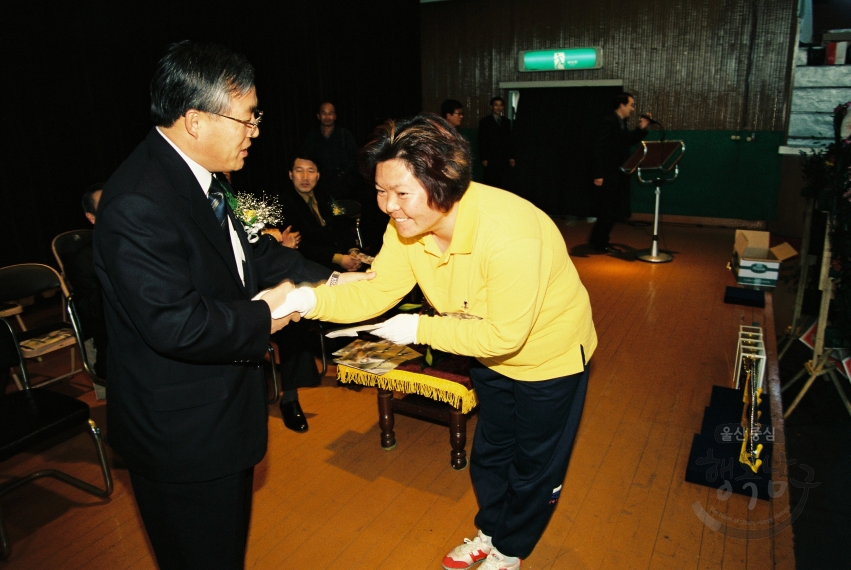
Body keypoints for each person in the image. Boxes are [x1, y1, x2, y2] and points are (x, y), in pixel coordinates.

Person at [275, 114, 597, 570]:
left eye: (401, 193)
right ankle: (490, 530)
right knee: (491, 452)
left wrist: (418, 330)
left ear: (443, 181)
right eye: (381, 191)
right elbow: (377, 289)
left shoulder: (510, 234)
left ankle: (509, 550)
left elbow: (507, 334)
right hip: (483, 349)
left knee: (535, 466)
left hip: (548, 357)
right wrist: (305, 300)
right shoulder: (407, 225)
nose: (388, 206)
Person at [93, 41, 351, 569]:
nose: (255, 132)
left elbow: (249, 258)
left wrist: (339, 281)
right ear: (195, 120)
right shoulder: (139, 200)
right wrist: (270, 314)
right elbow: (175, 323)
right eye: (247, 119)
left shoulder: (199, 177)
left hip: (223, 412)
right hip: (182, 435)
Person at [279, 154, 364, 273]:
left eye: (310, 171)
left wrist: (353, 250)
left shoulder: (326, 197)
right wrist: (339, 259)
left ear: (318, 175)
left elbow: (342, 226)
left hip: (343, 258)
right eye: (299, 171)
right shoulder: (283, 204)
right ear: (290, 174)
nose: (305, 177)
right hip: (314, 266)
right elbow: (302, 247)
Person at [588, 92, 650, 253]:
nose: (632, 108)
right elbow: (599, 148)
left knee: (610, 209)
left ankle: (598, 240)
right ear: (621, 105)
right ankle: (599, 243)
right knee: (607, 209)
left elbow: (627, 140)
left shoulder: (620, 122)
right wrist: (598, 174)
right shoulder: (609, 122)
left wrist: (641, 129)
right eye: (631, 105)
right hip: (608, 173)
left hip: (616, 173)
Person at [63, 183, 109, 380]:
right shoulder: (84, 259)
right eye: (105, 206)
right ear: (91, 218)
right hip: (117, 342)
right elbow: (91, 310)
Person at [301, 102, 359, 199]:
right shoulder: (312, 136)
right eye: (324, 113)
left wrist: (342, 174)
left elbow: (354, 158)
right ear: (318, 116)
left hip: (343, 186)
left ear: (335, 116)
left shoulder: (344, 134)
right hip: (318, 186)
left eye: (330, 113)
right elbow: (306, 158)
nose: (327, 117)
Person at [477, 96, 515, 190]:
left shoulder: (507, 122)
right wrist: (484, 158)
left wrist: (511, 156)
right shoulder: (485, 122)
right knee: (491, 183)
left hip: (503, 158)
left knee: (503, 183)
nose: (498, 108)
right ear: (491, 107)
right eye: (496, 105)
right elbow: (482, 140)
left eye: (501, 105)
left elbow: (509, 140)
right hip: (491, 158)